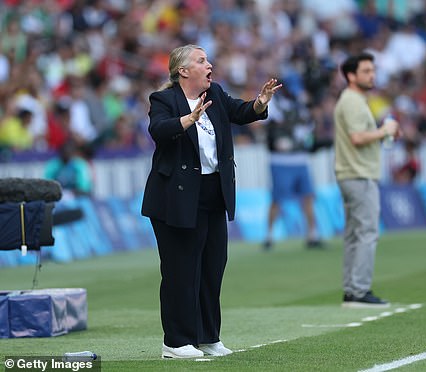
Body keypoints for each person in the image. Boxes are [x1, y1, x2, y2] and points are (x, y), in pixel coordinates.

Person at [140, 44, 281, 359]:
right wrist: (188, 119)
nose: (209, 64)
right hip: (174, 199)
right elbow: (158, 130)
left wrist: (259, 103)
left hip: (212, 193)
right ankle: (175, 342)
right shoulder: (164, 99)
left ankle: (208, 337)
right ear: (183, 70)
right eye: (201, 60)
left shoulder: (215, 93)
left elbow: (239, 112)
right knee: (180, 270)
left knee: (212, 268)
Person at [334, 52, 398, 308]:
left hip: (353, 173)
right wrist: (385, 130)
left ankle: (352, 289)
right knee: (366, 233)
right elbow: (358, 138)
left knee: (354, 234)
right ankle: (359, 291)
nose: (372, 75)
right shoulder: (352, 101)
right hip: (358, 173)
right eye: (366, 71)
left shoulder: (354, 100)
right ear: (351, 75)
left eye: (373, 70)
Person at [262, 85, 323, 250]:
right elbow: (271, 133)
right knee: (278, 199)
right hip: (281, 161)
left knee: (308, 198)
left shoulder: (301, 110)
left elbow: (308, 134)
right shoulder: (275, 108)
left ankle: (312, 234)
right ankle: (269, 235)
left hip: (299, 160)